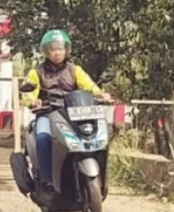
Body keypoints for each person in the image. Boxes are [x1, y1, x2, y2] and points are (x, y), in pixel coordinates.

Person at [21, 29, 109, 191]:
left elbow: (88, 85)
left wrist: (100, 94)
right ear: (47, 51)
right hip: (47, 113)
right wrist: (32, 101)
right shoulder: (36, 72)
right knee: (43, 137)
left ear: (66, 50)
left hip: (72, 114)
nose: (57, 52)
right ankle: (46, 179)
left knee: (94, 134)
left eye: (60, 48)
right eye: (53, 49)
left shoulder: (75, 70)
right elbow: (28, 93)